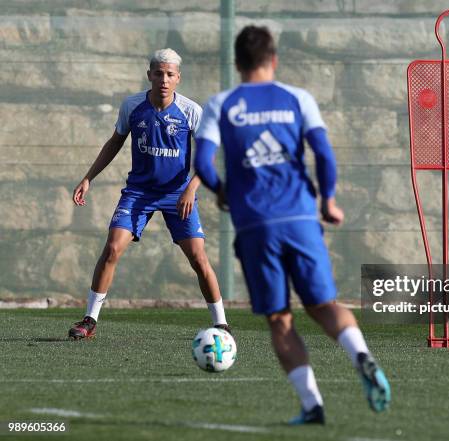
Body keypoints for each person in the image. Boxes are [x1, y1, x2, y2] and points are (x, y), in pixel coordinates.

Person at [193, 26, 390, 424]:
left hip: (255, 225)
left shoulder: (222, 103)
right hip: (301, 217)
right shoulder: (298, 99)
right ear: (274, 60)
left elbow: (202, 163)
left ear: (237, 64)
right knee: (323, 305)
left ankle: (312, 405)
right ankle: (361, 356)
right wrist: (329, 200)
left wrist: (221, 191)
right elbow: (323, 153)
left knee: (280, 318)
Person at [68, 48, 230, 340]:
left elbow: (208, 156)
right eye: (159, 73)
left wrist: (192, 189)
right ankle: (90, 319)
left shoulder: (191, 111)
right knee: (113, 248)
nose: (164, 79)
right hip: (139, 192)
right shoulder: (132, 106)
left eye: (170, 74)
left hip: (178, 194)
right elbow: (114, 142)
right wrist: (88, 177)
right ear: (149, 76)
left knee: (198, 258)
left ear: (178, 78)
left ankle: (221, 324)